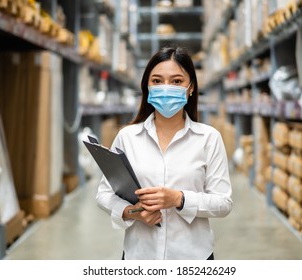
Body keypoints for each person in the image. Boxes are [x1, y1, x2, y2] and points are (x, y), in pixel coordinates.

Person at [96, 46, 233, 260]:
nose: (166, 88)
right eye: (157, 81)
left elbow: (223, 203)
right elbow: (104, 194)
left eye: (177, 81)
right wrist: (134, 213)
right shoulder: (128, 137)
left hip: (193, 258)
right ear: (147, 87)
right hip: (139, 255)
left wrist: (179, 199)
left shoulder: (209, 138)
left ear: (191, 88)